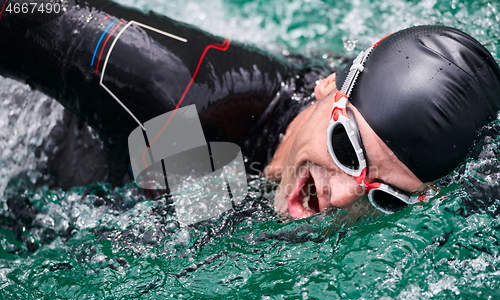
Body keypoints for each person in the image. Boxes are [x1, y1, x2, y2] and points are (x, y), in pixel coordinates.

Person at [1, 0, 499, 220]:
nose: (345, 196)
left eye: (386, 197)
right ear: (328, 88)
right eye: (346, 149)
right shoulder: (174, 92)